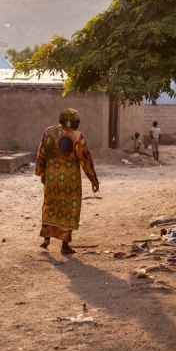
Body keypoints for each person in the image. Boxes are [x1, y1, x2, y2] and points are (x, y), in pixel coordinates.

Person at [35, 108, 100, 254]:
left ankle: (46, 238)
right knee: (70, 208)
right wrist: (93, 180)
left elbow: (41, 153)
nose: (78, 124)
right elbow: (86, 159)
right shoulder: (77, 136)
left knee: (50, 204)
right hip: (70, 177)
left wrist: (42, 173)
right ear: (70, 121)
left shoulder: (49, 132)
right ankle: (65, 244)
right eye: (77, 121)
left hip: (52, 174)